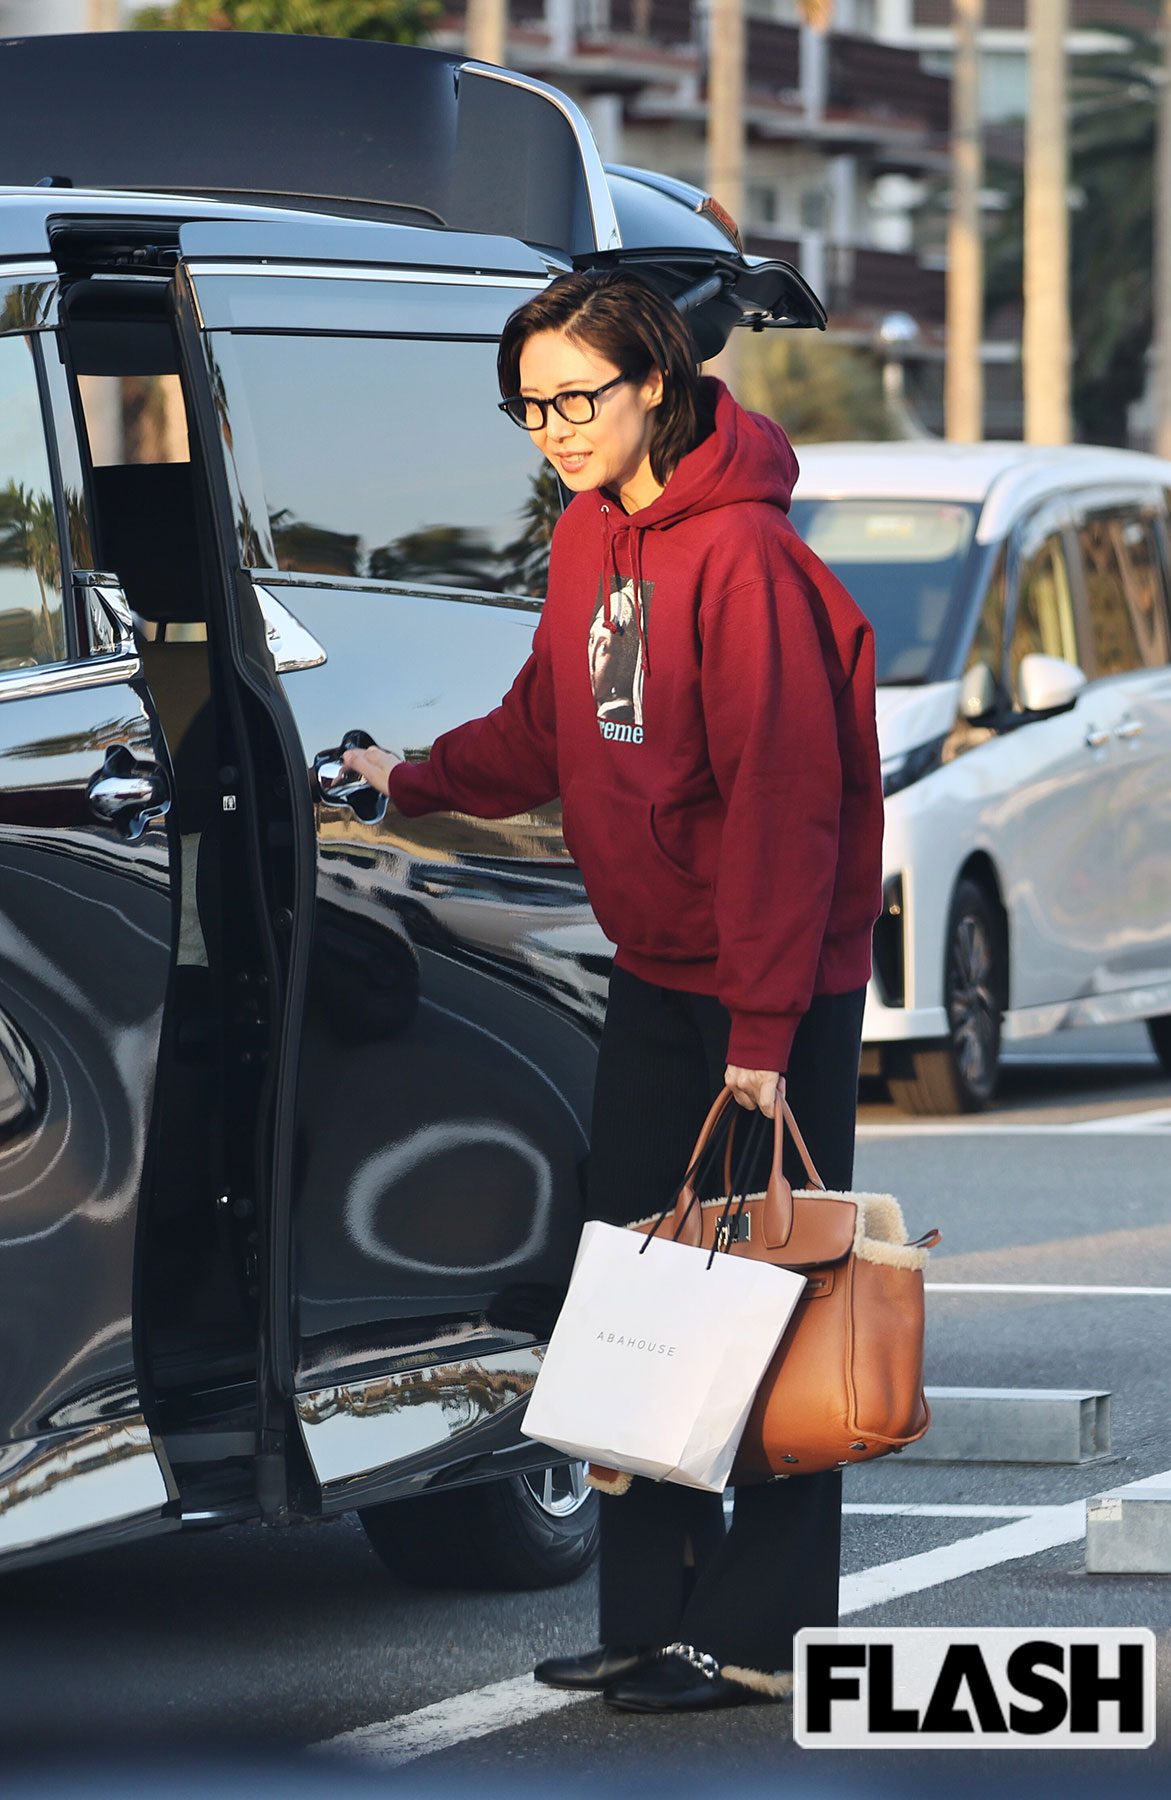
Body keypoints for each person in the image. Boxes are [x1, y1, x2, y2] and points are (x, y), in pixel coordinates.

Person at [341, 268, 883, 1714]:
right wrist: (411, 784)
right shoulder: (592, 535)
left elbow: (786, 802)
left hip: (767, 995)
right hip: (658, 970)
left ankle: (766, 1637)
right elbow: (546, 725)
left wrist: (764, 1035)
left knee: (771, 1300)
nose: (554, 429)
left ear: (655, 379)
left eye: (577, 398)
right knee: (636, 1299)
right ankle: (650, 1623)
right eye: (530, 406)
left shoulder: (745, 559)